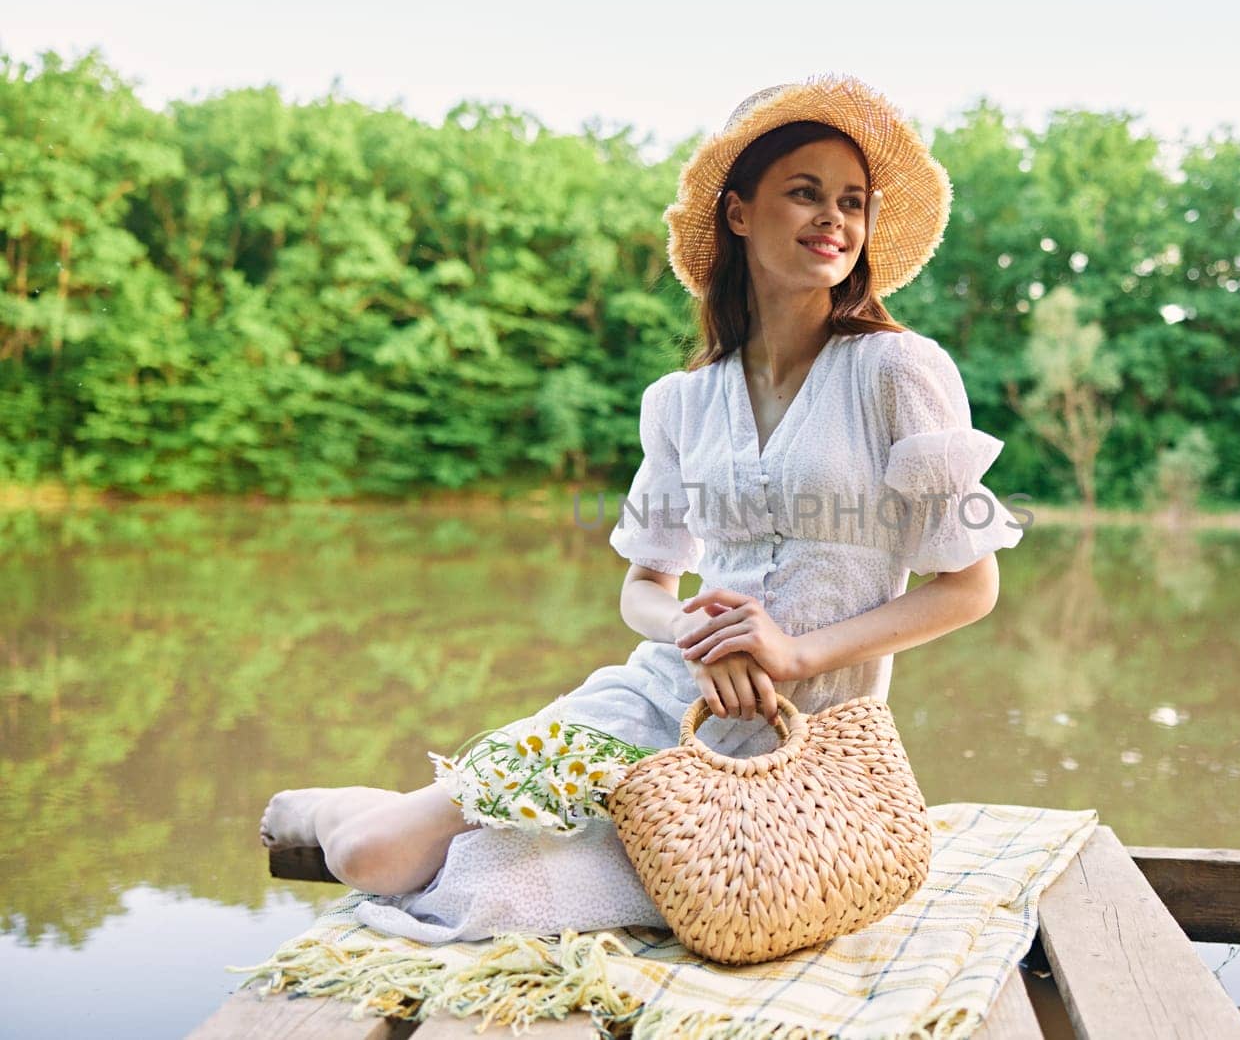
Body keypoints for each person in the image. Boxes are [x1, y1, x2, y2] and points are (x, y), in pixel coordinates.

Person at [258, 74, 1026, 941]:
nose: (834, 220)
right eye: (804, 193)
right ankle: (338, 809)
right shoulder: (681, 400)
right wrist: (693, 634)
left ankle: (423, 818)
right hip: (656, 695)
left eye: (852, 202)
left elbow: (969, 587)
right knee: (372, 856)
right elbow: (644, 587)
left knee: (492, 898)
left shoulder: (899, 372)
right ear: (738, 213)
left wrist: (792, 649)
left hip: (798, 743)